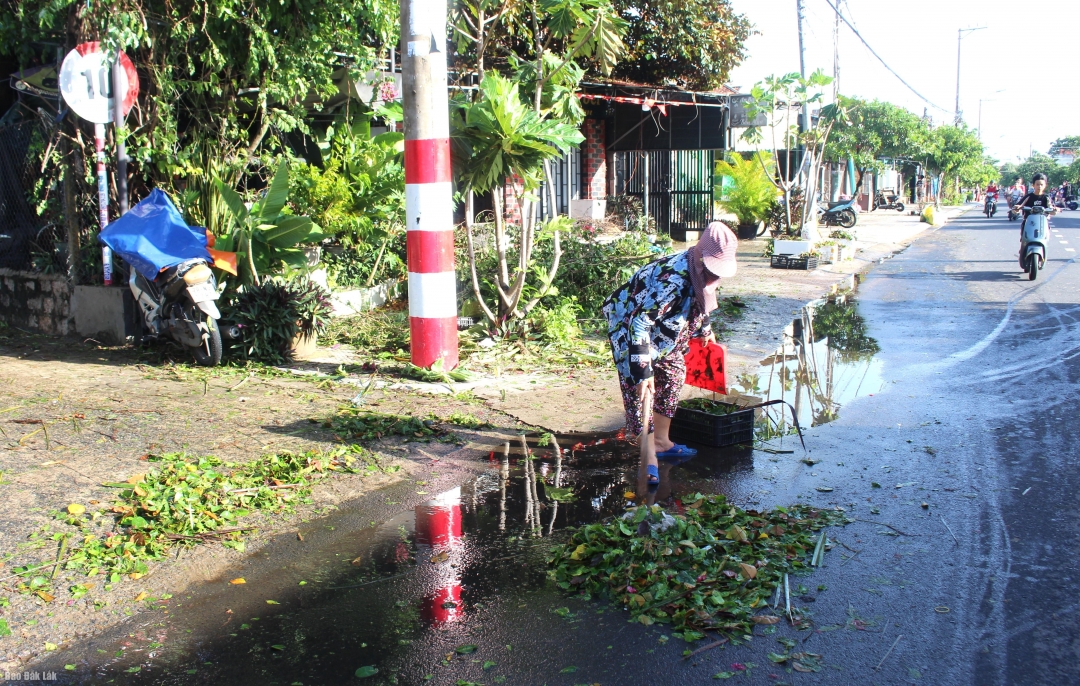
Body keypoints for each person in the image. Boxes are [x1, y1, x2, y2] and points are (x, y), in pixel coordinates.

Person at [603, 222, 738, 490]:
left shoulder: (703, 271)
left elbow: (702, 299)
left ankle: (663, 442)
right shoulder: (672, 281)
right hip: (630, 327)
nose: (715, 274)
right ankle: (648, 455)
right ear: (701, 257)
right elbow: (639, 323)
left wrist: (705, 330)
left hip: (667, 331)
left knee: (674, 374)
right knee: (641, 390)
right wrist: (643, 371)